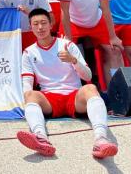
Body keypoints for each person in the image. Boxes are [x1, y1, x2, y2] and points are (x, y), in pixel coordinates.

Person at [16, 8, 118, 159]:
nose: (40, 27)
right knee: (30, 94)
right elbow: (27, 83)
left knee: (90, 88)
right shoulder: (29, 53)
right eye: (35, 24)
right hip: (50, 100)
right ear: (30, 27)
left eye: (43, 23)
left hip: (73, 97)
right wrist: (28, 105)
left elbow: (88, 75)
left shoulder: (67, 45)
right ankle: (40, 138)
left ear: (51, 24)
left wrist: (74, 61)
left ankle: (101, 139)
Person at [57, 0, 123, 87]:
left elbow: (105, 8)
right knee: (64, 54)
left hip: (96, 20)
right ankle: (72, 91)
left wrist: (112, 36)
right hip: (73, 21)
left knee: (114, 51)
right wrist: (68, 38)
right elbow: (64, 10)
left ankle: (113, 92)